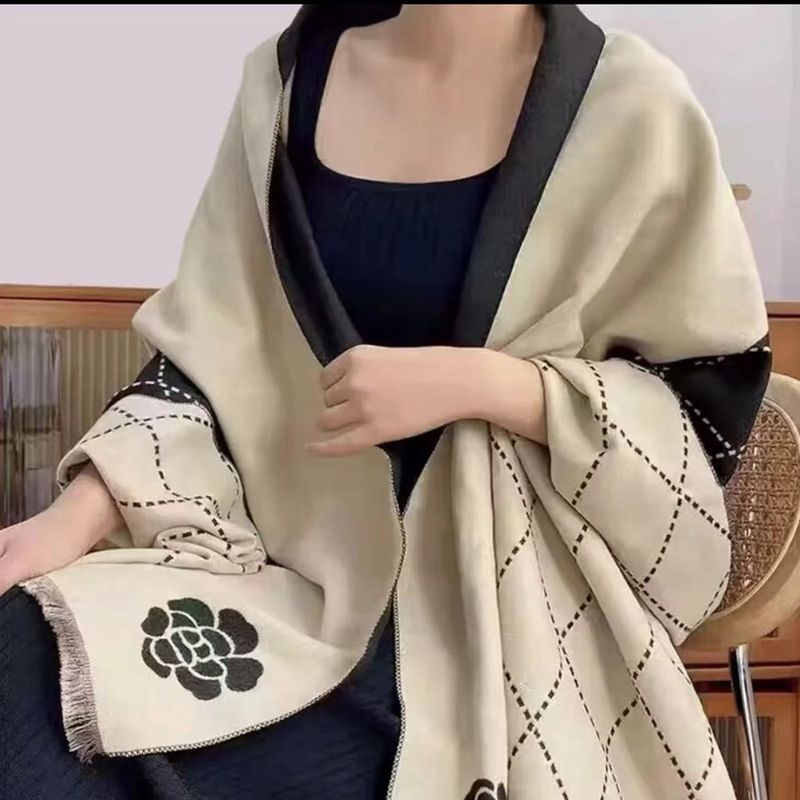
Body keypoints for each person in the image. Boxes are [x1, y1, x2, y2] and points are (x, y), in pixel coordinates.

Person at [0, 5, 772, 800]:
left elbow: (705, 409)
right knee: (22, 660)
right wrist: (80, 511)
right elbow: (208, 352)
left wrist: (490, 385)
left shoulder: (633, 105)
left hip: (495, 612)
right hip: (280, 563)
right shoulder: (284, 85)